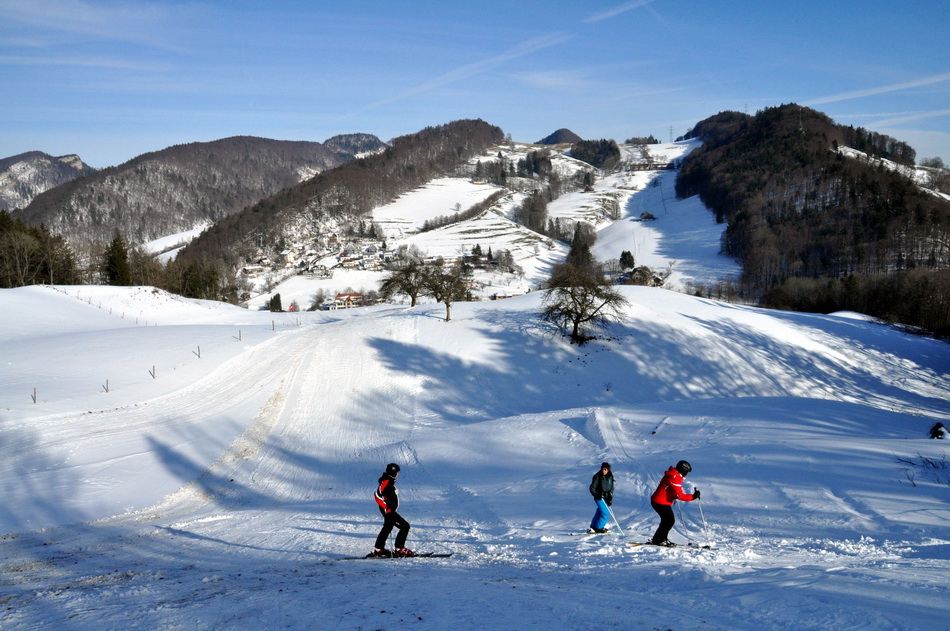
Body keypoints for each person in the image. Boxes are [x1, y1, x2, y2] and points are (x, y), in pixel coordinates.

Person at [649, 460, 699, 547]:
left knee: (667, 521)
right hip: (660, 502)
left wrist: (673, 496)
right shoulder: (674, 477)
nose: (686, 474)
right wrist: (693, 497)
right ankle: (659, 540)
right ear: (683, 470)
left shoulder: (674, 475)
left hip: (661, 501)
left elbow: (670, 489)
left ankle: (659, 539)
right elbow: (680, 495)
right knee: (669, 521)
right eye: (686, 471)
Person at [370, 463, 414, 557]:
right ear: (393, 472)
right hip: (389, 512)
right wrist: (387, 508)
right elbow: (377, 495)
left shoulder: (388, 481)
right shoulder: (386, 482)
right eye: (397, 472)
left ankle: (379, 549)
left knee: (387, 527)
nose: (398, 474)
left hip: (389, 511)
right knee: (405, 526)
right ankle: (399, 549)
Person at [588, 462, 614, 533]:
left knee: (599, 511)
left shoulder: (610, 476)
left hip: (606, 497)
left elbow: (612, 488)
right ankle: (599, 528)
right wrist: (596, 494)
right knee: (605, 513)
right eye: (602, 469)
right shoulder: (598, 476)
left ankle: (593, 526)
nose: (603, 471)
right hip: (599, 497)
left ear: (608, 470)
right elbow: (592, 488)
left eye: (605, 469)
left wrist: (610, 498)